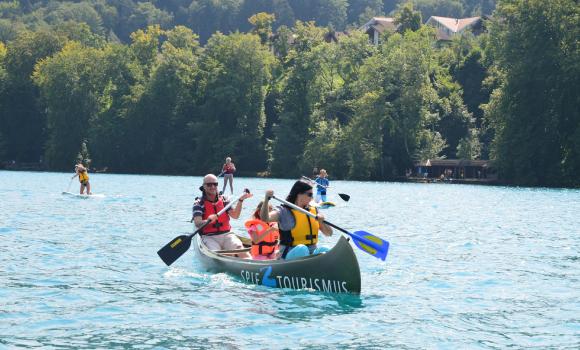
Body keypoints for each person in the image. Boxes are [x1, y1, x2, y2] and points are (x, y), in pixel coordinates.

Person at [260, 180, 333, 260]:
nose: (312, 198)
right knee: (302, 249)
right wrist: (266, 199)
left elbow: (329, 233)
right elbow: (265, 218)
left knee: (325, 249)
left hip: (311, 254)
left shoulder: (314, 211)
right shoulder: (283, 211)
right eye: (309, 194)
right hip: (289, 255)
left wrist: (322, 221)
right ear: (299, 194)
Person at [192, 174, 252, 258]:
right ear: (204, 186)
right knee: (216, 254)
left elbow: (235, 216)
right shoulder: (198, 204)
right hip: (209, 237)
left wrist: (240, 201)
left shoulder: (224, 200)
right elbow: (197, 223)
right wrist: (208, 220)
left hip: (227, 235)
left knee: (239, 248)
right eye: (209, 184)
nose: (212, 186)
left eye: (215, 184)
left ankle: (251, 264)